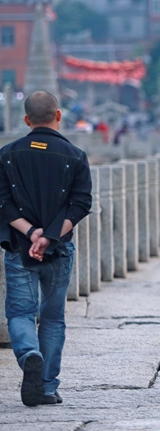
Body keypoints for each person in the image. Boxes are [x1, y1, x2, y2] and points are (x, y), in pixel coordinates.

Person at [0, 91, 92, 406]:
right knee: (52, 318)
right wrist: (49, 237)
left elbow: (3, 202)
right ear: (58, 115)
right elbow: (81, 203)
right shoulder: (75, 155)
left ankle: (30, 355)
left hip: (19, 247)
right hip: (58, 249)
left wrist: (31, 233)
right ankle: (48, 386)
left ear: (27, 119)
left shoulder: (7, 154)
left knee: (20, 312)